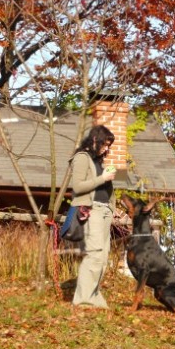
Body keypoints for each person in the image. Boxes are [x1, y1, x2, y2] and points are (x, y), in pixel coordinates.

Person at [70, 125, 117, 308]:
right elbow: (78, 186)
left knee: (103, 257)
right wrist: (102, 179)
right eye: (105, 144)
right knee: (94, 254)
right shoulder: (82, 158)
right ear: (95, 140)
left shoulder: (99, 161)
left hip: (105, 211)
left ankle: (94, 297)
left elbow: (104, 189)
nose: (107, 148)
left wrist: (113, 208)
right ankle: (83, 300)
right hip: (92, 210)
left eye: (109, 145)